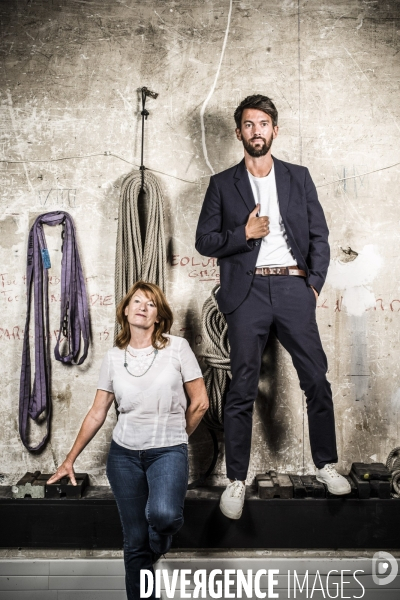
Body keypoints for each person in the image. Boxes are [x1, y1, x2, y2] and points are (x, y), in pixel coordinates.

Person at [195, 94, 350, 520]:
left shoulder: (298, 178)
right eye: (248, 124)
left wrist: (313, 285)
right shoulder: (222, 184)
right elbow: (204, 241)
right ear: (239, 131)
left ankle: (325, 465)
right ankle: (237, 480)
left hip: (292, 289)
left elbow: (320, 236)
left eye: (263, 124)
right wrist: (243, 232)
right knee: (241, 388)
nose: (256, 131)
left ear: (274, 130)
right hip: (247, 294)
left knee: (315, 379)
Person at [48, 281, 209, 599]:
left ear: (158, 316)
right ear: (124, 310)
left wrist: (176, 439)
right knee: (134, 543)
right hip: (123, 458)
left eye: (150, 304)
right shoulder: (113, 357)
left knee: (163, 517)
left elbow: (201, 402)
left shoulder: (177, 349)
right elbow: (97, 412)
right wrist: (69, 460)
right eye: (136, 301)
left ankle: (160, 541)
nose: (142, 306)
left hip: (167, 452)